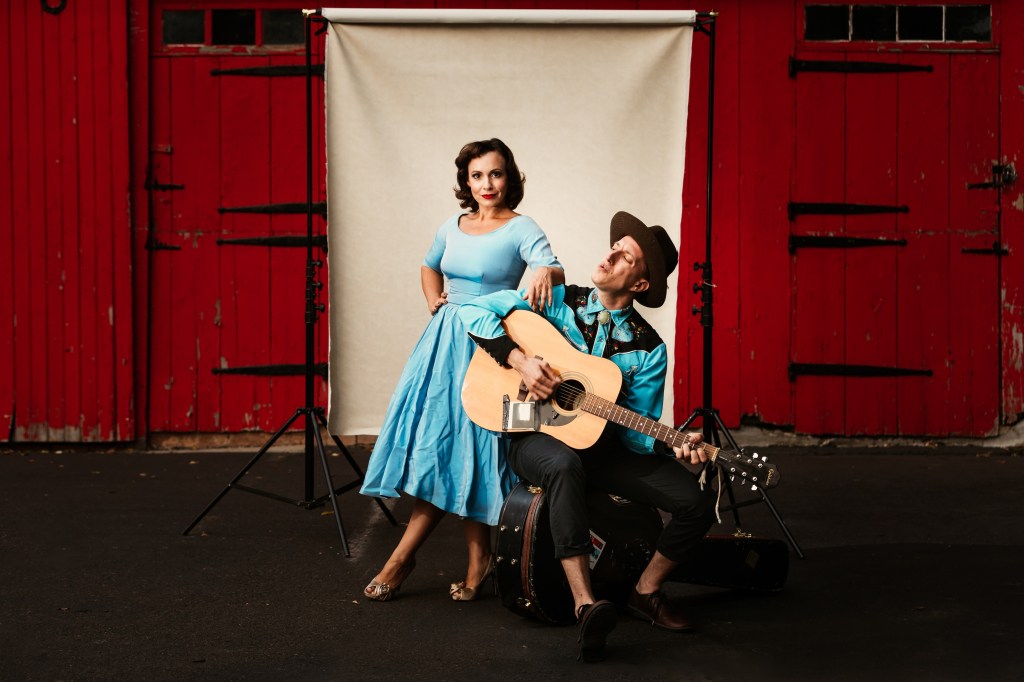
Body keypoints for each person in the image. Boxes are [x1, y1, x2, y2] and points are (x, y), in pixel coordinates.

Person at [458, 211, 717, 662]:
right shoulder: (557, 299)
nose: (610, 255)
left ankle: (645, 591)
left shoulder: (648, 349)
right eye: (614, 247)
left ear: (640, 284)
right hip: (533, 430)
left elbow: (636, 432)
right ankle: (585, 604)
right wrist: (521, 361)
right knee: (564, 464)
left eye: (626, 257)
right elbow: (471, 310)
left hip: (605, 448)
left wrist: (669, 443)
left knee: (694, 501)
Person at [360, 138, 564, 603]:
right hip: (442, 347)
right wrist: (432, 298)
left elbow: (555, 271)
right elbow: (429, 266)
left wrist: (543, 272)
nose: (486, 184)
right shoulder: (451, 226)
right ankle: (476, 558)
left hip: (491, 347)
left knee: (474, 447)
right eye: (477, 175)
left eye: (495, 173)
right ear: (466, 182)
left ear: (509, 178)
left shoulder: (522, 227)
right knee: (442, 446)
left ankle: (409, 558)